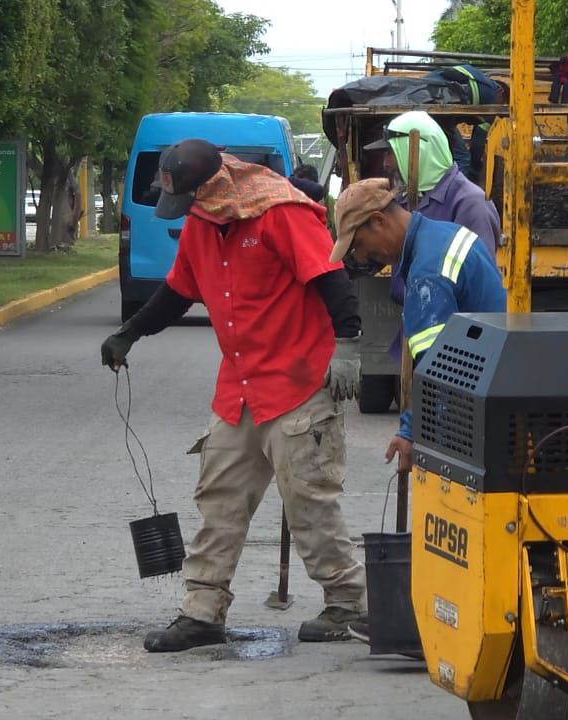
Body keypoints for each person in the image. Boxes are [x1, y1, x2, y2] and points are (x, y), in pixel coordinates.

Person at [100, 139, 367, 651]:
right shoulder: (203, 220)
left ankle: (348, 605)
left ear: (215, 185)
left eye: (192, 199)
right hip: (239, 392)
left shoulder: (280, 214)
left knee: (310, 504)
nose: (189, 211)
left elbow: (331, 279)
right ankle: (203, 612)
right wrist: (129, 331)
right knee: (218, 500)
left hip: (297, 386)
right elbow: (178, 292)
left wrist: (349, 345)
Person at [330, 177, 506, 479]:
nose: (360, 256)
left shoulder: (428, 273)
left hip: (467, 416)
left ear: (379, 221)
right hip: (487, 392)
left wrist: (410, 432)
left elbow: (434, 370)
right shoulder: (444, 234)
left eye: (359, 244)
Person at [363, 110, 500, 254]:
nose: (386, 163)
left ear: (420, 151)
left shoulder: (470, 205)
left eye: (392, 152)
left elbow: (476, 273)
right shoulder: (403, 201)